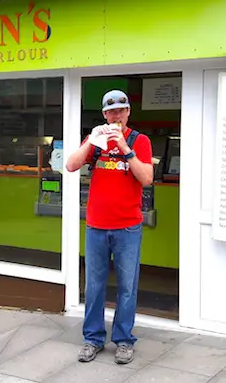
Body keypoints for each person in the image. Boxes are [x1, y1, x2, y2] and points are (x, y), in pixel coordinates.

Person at [65, 89, 153, 365]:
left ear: (128, 112)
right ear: (104, 114)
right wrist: (92, 139)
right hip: (96, 226)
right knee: (94, 286)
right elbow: (70, 165)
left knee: (127, 287)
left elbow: (147, 178)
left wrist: (126, 150)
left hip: (128, 227)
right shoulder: (96, 140)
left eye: (121, 111)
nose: (116, 116)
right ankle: (92, 339)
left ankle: (124, 340)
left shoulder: (140, 140)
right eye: (111, 112)